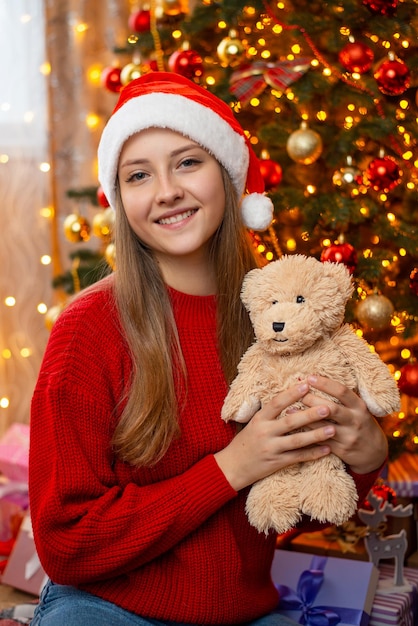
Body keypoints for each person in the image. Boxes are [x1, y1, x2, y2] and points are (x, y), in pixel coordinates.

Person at [29, 71, 388, 626]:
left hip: (243, 612)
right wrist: (230, 467)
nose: (167, 189)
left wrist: (364, 461)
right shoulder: (89, 329)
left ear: (227, 177)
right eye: (139, 175)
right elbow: (65, 543)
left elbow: (288, 506)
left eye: (188, 162)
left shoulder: (278, 318)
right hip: (106, 609)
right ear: (121, 200)